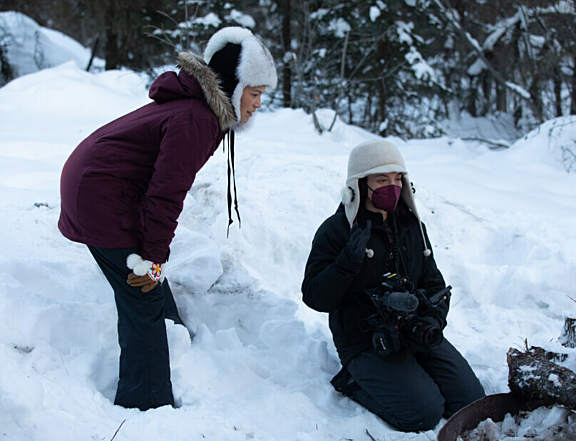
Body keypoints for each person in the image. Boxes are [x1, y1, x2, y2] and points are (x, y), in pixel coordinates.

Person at [58, 27, 277, 411]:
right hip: (100, 195)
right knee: (140, 291)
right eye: (255, 94)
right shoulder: (197, 120)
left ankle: (174, 333)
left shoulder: (200, 110)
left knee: (146, 276)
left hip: (101, 186)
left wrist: (153, 258)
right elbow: (166, 194)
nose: (258, 104)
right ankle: (145, 404)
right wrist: (152, 258)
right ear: (233, 86)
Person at [301, 139, 485, 432]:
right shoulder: (336, 231)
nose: (393, 187)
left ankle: (412, 373)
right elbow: (313, 296)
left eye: (398, 178)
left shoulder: (412, 226)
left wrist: (431, 320)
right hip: (364, 342)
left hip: (412, 331)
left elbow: (434, 283)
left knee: (471, 401)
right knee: (424, 414)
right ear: (361, 184)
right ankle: (352, 380)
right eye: (382, 179)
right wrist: (347, 262)